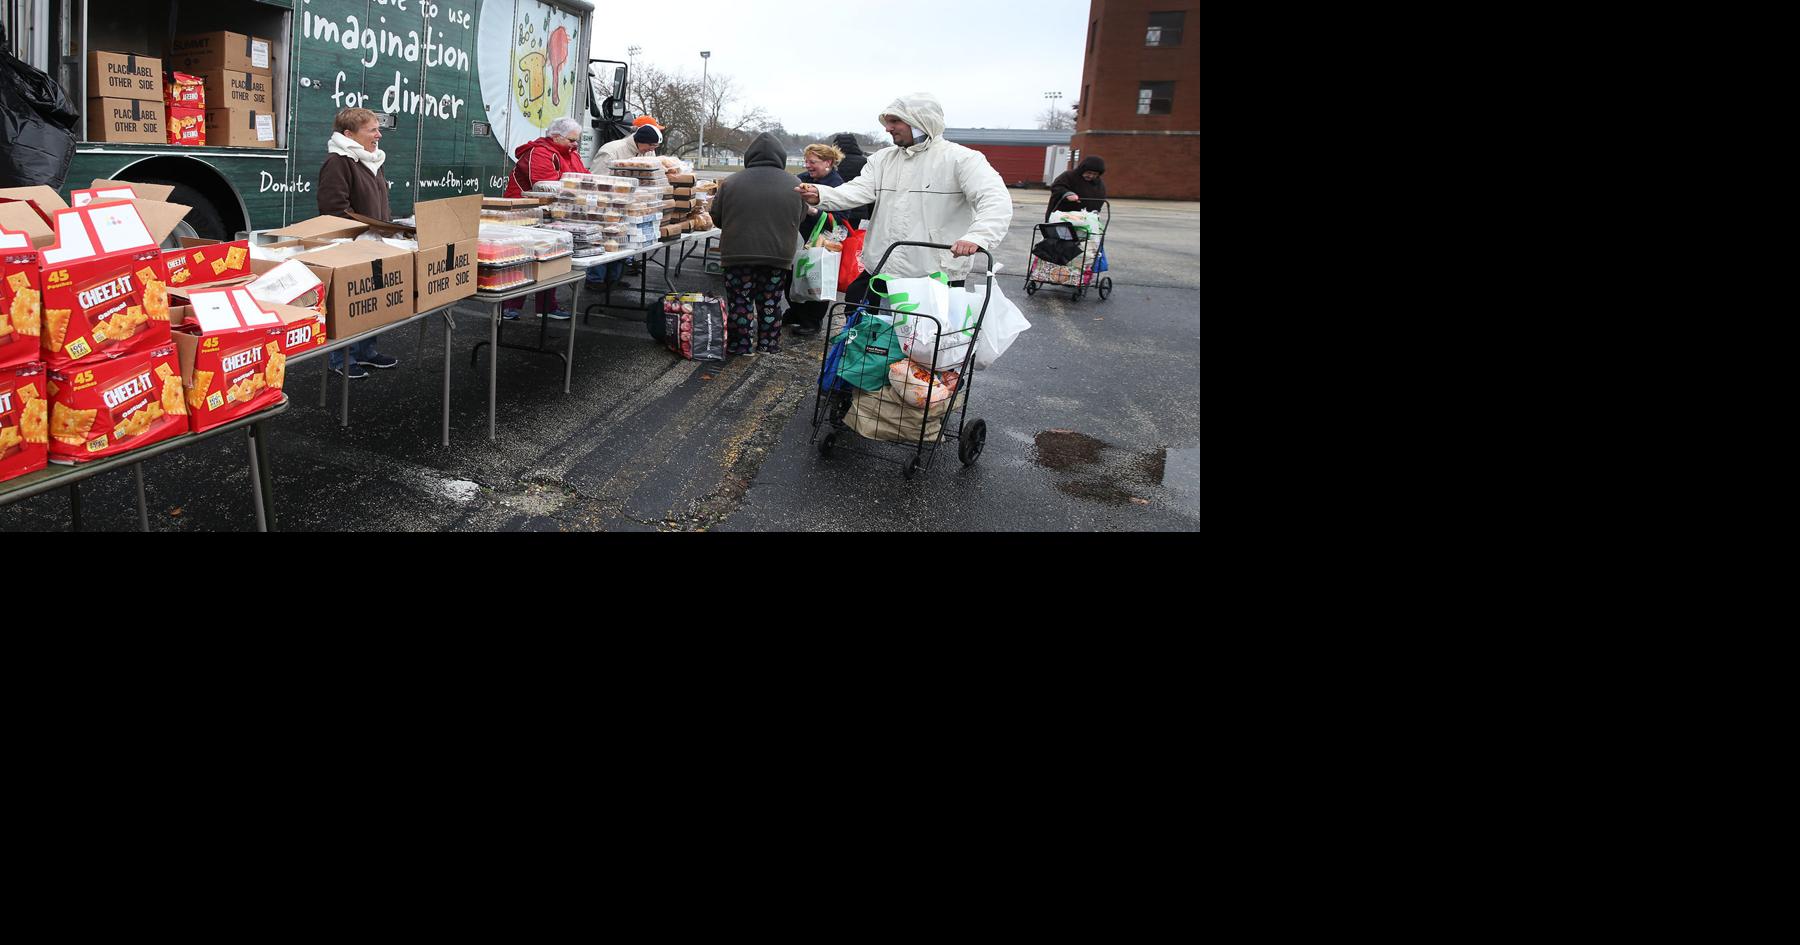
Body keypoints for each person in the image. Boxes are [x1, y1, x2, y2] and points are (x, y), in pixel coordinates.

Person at [797, 94, 1011, 301]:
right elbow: (857, 190)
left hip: (935, 275)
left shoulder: (962, 159)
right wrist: (820, 194)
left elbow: (995, 200)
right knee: (865, 329)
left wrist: (977, 236)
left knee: (923, 337)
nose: (887, 128)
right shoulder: (882, 159)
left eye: (894, 121)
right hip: (880, 268)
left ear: (920, 121)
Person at [317, 107, 399, 379]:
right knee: (348, 302)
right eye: (372, 130)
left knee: (370, 300)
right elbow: (333, 209)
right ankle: (340, 358)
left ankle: (366, 352)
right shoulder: (338, 162)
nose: (379, 135)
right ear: (349, 134)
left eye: (378, 129)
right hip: (350, 247)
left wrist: (385, 230)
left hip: (374, 244)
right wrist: (364, 235)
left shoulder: (373, 160)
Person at [710, 132, 805, 356]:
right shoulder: (796, 184)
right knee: (771, 301)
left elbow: (717, 217)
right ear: (781, 157)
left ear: (749, 156)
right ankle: (768, 345)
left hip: (737, 253)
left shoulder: (731, 182)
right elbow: (800, 217)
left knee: (740, 300)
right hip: (778, 254)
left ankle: (740, 346)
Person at [501, 116, 586, 321]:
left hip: (553, 213)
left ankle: (547, 306)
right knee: (523, 259)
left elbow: (583, 176)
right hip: (526, 214)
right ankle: (509, 306)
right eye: (572, 140)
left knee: (551, 257)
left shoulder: (570, 153)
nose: (575, 144)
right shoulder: (538, 153)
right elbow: (544, 185)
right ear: (555, 137)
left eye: (576, 140)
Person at [785, 143, 858, 337]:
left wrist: (813, 211)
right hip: (800, 239)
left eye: (812, 162)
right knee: (793, 278)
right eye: (806, 161)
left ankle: (812, 321)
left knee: (816, 279)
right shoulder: (803, 179)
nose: (807, 165)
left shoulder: (838, 186)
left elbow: (841, 220)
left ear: (828, 162)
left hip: (824, 242)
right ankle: (796, 313)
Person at [587, 123, 664, 291]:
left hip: (632, 205)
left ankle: (614, 278)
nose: (651, 150)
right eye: (651, 145)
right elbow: (597, 180)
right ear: (640, 140)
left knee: (623, 242)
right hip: (608, 205)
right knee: (605, 240)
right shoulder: (612, 150)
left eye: (655, 147)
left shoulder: (647, 152)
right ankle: (595, 280)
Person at [1046, 155, 1105, 220]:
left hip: (1086, 218)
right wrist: (1067, 193)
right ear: (1082, 170)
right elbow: (1056, 186)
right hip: (1063, 216)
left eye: (1095, 174)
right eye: (1089, 173)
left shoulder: (1098, 183)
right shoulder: (1069, 176)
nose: (1091, 176)